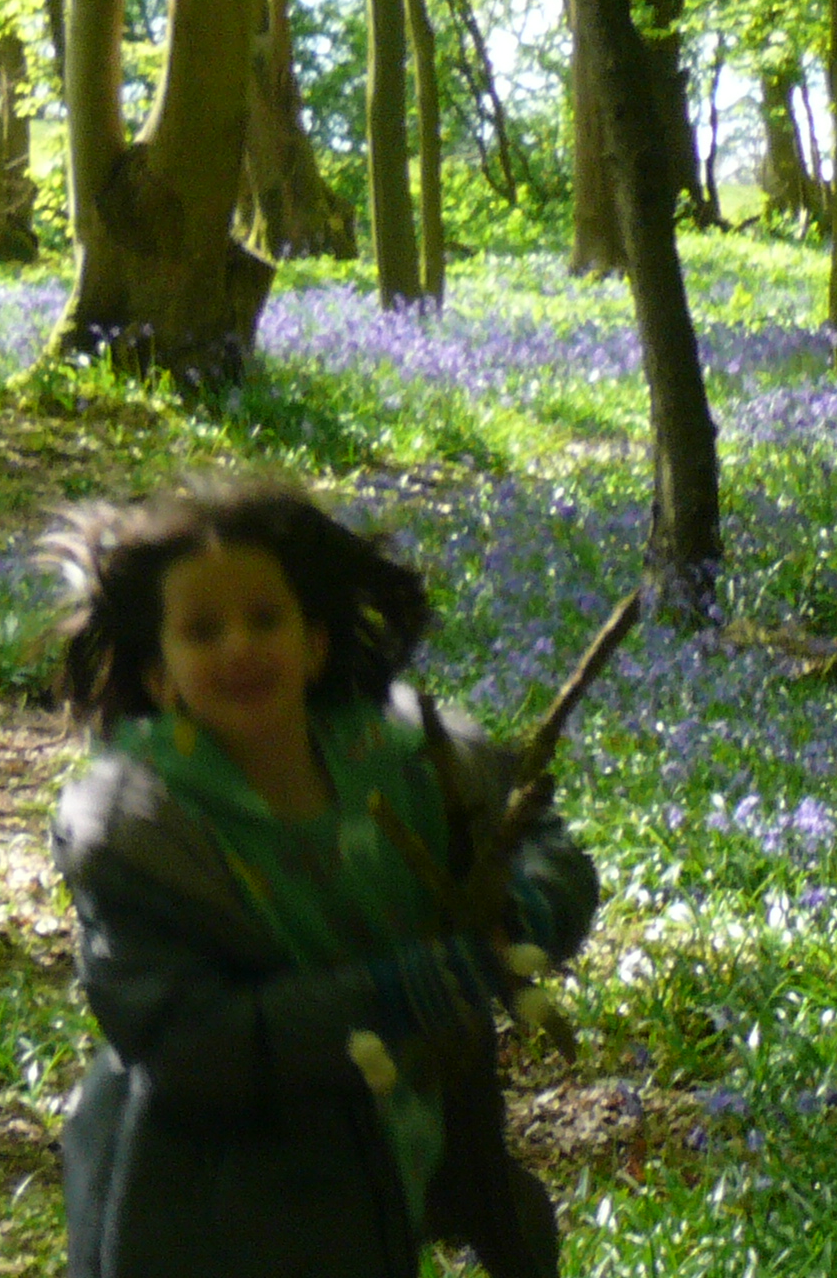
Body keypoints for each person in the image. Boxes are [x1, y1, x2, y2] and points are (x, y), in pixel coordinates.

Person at [45, 475, 597, 1278]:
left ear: (315, 642)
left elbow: (536, 838)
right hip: (211, 1196)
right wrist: (396, 994)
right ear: (159, 675)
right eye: (202, 631)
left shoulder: (412, 759)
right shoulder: (142, 832)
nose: (239, 646)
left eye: (265, 619)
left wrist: (527, 914)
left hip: (392, 1139)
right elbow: (188, 1042)